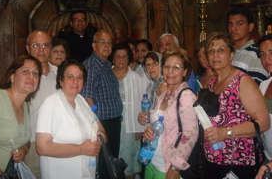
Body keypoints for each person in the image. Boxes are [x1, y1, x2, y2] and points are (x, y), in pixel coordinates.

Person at [202, 32, 270, 179]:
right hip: (213, 161)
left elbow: (263, 123)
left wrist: (225, 132)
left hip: (238, 163)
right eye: (211, 51)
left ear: (231, 54)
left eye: (221, 50)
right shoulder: (213, 83)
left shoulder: (242, 81)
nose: (215, 55)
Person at [36, 59, 106, 179]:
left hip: (86, 173)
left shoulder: (81, 101)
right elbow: (42, 147)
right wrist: (81, 149)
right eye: (70, 77)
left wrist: (101, 137)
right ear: (61, 80)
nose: (75, 81)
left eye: (80, 77)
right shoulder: (52, 103)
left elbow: (99, 128)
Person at [140, 47, 198, 179]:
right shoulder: (164, 94)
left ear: (185, 71)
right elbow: (160, 124)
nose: (170, 71)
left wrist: (175, 167)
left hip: (167, 166)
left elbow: (190, 135)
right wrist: (149, 130)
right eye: (167, 67)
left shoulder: (186, 96)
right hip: (152, 160)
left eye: (176, 67)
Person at [81, 30, 123, 179]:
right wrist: (99, 127)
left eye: (109, 42)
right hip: (103, 125)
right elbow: (87, 99)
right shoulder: (92, 66)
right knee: (104, 168)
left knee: (110, 166)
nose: (106, 45)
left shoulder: (105, 65)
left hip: (112, 124)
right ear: (94, 46)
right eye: (102, 42)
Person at [24, 29, 57, 178]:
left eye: (45, 45)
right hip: (32, 143)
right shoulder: (21, 77)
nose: (41, 50)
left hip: (59, 142)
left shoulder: (61, 74)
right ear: (28, 48)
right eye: (36, 45)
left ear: (51, 48)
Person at [111, 42, 145, 179]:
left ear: (129, 58)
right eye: (117, 56)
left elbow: (143, 103)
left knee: (129, 166)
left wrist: (140, 127)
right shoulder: (107, 75)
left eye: (124, 56)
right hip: (111, 126)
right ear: (113, 58)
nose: (120, 59)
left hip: (130, 129)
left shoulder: (137, 78)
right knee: (111, 164)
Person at [227, 6, 268, 84]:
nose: (233, 29)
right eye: (230, 24)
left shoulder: (257, 54)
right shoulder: (226, 51)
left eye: (239, 24)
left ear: (250, 27)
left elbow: (254, 89)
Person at [255, 34, 272, 179]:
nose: (266, 59)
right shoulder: (264, 85)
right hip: (267, 158)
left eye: (271, 52)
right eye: (262, 54)